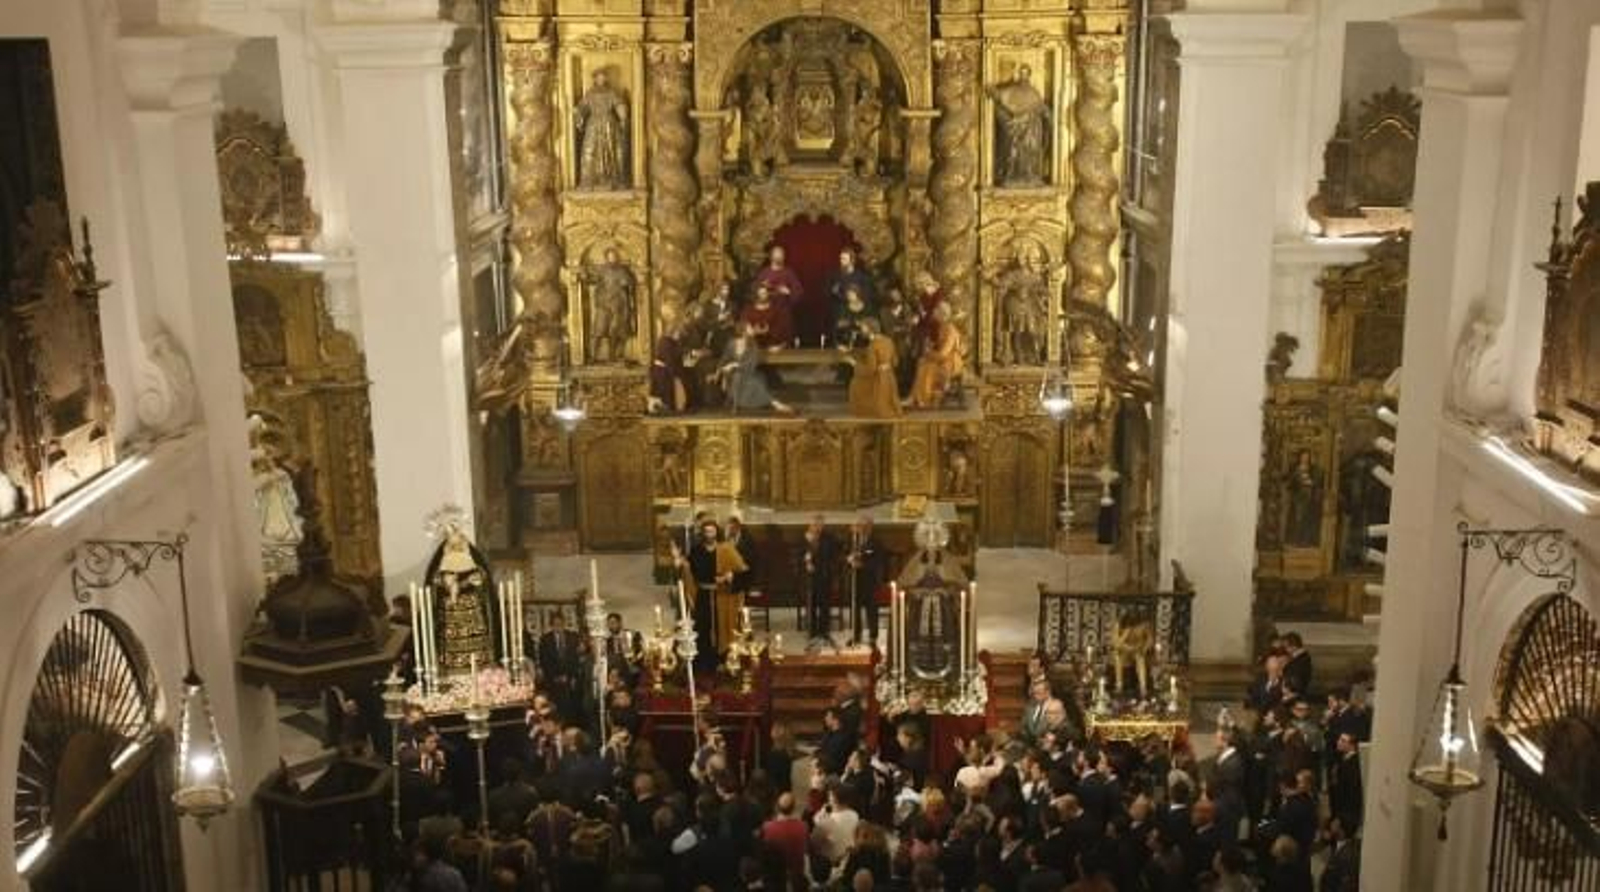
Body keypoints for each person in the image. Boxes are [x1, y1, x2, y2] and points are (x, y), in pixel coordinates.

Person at [719, 323, 796, 414]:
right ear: (744, 332)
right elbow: (724, 360)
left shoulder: (752, 344)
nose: (752, 330)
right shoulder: (731, 344)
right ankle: (776, 404)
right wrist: (724, 369)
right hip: (732, 375)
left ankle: (776, 404)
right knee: (739, 377)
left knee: (753, 381)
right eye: (750, 328)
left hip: (747, 373)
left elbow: (752, 363)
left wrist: (735, 365)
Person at [575, 69, 629, 190]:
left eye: (603, 77)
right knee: (589, 149)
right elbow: (582, 106)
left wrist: (623, 114)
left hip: (608, 124)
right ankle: (589, 179)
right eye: (599, 77)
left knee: (610, 150)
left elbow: (618, 104)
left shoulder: (611, 92)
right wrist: (578, 115)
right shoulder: (590, 93)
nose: (601, 79)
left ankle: (612, 178)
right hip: (593, 123)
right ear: (595, 79)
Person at [908, 303, 965, 408]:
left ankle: (924, 399)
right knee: (922, 363)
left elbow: (944, 353)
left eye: (936, 312)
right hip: (943, 359)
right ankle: (916, 397)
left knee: (929, 367)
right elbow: (939, 347)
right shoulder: (942, 327)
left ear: (942, 314)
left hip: (950, 363)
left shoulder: (950, 330)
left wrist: (928, 352)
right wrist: (931, 348)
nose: (933, 314)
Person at [844, 318, 901, 418]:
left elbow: (871, 369)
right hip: (890, 379)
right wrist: (885, 366)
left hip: (878, 382)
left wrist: (853, 363)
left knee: (855, 383)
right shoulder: (888, 341)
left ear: (870, 329)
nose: (862, 331)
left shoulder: (873, 345)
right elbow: (895, 362)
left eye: (863, 328)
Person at [844, 516, 885, 648]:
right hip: (855, 580)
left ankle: (873, 637)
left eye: (864, 526)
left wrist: (862, 565)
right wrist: (849, 560)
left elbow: (878, 562)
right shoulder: (852, 540)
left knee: (871, 610)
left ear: (870, 527)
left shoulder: (877, 542)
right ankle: (856, 636)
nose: (861, 528)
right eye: (859, 526)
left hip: (870, 581)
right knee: (855, 609)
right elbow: (845, 554)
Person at [799, 516, 839, 646]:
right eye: (815, 525)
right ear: (810, 525)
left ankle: (824, 632)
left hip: (824, 576)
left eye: (819, 525)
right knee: (811, 605)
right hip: (809, 578)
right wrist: (806, 561)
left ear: (823, 526)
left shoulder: (830, 538)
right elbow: (800, 555)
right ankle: (812, 632)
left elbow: (833, 555)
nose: (817, 528)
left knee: (824, 606)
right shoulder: (804, 538)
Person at [753, 246, 804, 341]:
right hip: (766, 315)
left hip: (783, 315)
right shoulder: (764, 273)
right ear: (771, 256)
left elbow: (799, 292)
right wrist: (764, 290)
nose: (780, 256)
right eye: (777, 254)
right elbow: (754, 292)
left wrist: (788, 292)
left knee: (784, 344)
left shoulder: (789, 273)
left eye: (782, 254)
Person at [537, 611, 583, 717]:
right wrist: (555, 677)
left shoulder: (573, 636)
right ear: (551, 624)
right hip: (554, 680)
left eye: (560, 623)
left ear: (564, 623)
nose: (558, 625)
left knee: (572, 707)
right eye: (555, 623)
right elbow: (544, 660)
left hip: (571, 678)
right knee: (557, 706)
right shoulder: (545, 639)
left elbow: (576, 659)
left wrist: (571, 676)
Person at [739, 284, 795, 350]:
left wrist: (769, 333)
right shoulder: (748, 310)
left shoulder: (775, 310)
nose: (763, 296)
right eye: (761, 294)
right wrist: (754, 331)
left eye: (764, 293)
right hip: (753, 347)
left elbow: (782, 330)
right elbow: (744, 327)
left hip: (773, 346)